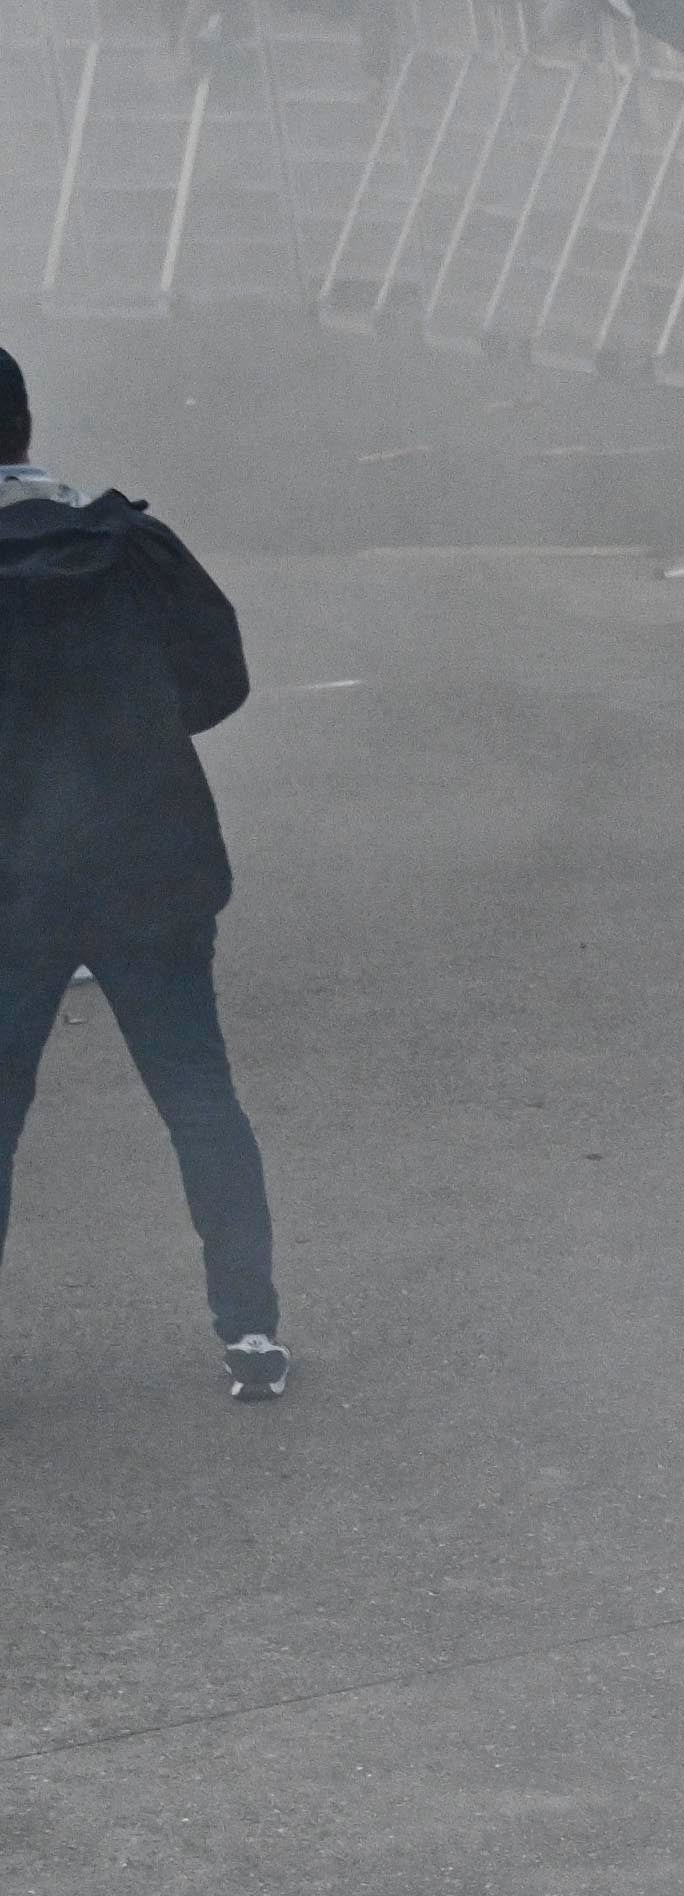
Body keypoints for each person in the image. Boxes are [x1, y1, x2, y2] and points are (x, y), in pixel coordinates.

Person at [0, 349, 283, 1401]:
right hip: (147, 858)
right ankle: (250, 1336)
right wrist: (135, 740)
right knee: (198, 1092)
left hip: (11, 879)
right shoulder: (130, 544)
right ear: (27, 423)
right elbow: (220, 675)